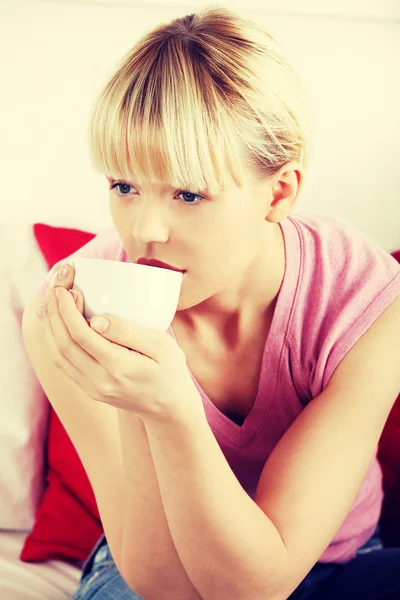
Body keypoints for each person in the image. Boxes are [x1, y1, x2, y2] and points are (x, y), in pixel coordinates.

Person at [22, 6, 400, 600]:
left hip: (340, 560)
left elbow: (262, 583)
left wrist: (171, 405)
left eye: (189, 193)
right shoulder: (69, 309)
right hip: (151, 575)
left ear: (279, 191)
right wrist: (152, 408)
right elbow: (164, 586)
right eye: (123, 186)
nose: (146, 230)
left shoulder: (365, 300)